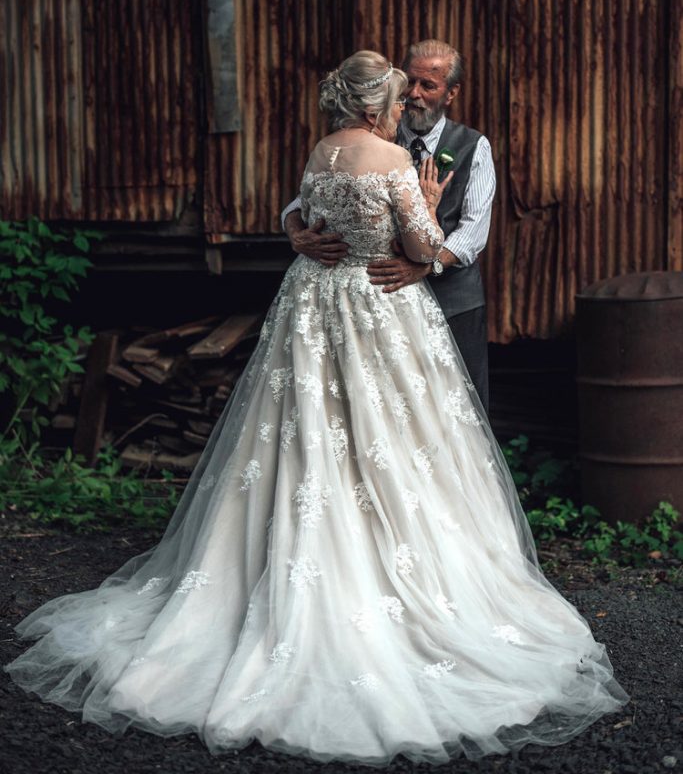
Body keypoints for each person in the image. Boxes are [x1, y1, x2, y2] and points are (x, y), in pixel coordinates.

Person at [5, 51, 626, 765]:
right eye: (394, 99)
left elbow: (309, 210)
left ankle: (283, 556)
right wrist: (421, 200)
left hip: (313, 302)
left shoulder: (322, 148)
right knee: (390, 434)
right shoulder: (391, 155)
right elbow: (418, 242)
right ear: (374, 107)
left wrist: (306, 233)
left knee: (304, 434)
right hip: (378, 303)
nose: (401, 108)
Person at [283, 39, 494, 412]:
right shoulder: (370, 136)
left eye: (428, 86)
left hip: (452, 301)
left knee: (459, 412)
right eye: (408, 83)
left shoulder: (474, 146)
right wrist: (296, 233)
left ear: (451, 93)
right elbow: (302, 202)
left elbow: (474, 229)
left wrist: (426, 265)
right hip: (381, 309)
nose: (413, 95)